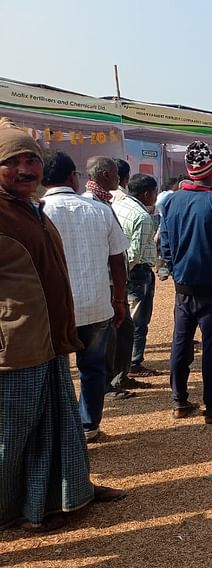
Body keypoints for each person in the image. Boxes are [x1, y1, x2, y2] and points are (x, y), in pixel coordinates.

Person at [0, 119, 124, 531]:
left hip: (47, 341)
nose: (25, 169)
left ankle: (63, 496)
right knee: (11, 438)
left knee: (59, 424)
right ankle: (8, 511)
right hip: (14, 348)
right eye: (11, 161)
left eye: (31, 160)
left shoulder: (30, 208)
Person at [42, 152, 130, 442]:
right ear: (73, 177)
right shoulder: (100, 210)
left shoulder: (37, 211)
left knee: (55, 370)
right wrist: (119, 301)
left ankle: (58, 427)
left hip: (53, 309)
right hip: (96, 305)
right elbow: (119, 262)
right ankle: (89, 425)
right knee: (92, 369)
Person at [160, 141, 212, 424]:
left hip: (183, 288)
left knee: (181, 345)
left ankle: (180, 401)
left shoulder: (170, 201)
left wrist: (176, 271)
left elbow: (166, 246)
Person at [83, 156, 137, 399]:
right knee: (107, 336)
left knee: (122, 331)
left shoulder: (103, 202)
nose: (119, 178)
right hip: (104, 284)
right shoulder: (92, 205)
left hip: (111, 283)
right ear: (105, 175)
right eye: (116, 174)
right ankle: (107, 384)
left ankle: (116, 378)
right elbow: (113, 255)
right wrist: (117, 295)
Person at [114, 174, 161, 377]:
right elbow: (134, 253)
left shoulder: (118, 205)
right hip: (137, 272)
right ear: (147, 194)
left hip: (123, 271)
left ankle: (124, 365)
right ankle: (134, 363)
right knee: (138, 321)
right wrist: (126, 274)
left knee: (125, 320)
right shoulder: (142, 217)